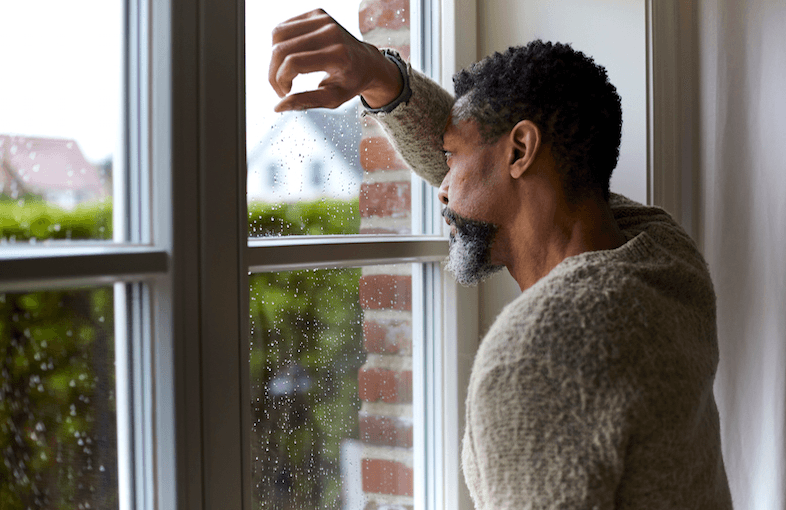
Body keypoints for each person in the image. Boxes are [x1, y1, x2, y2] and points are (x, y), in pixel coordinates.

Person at [271, 9, 733, 509]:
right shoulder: (664, 256)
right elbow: (506, 178)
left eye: (450, 160)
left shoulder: (536, 356)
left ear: (521, 151)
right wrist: (384, 78)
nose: (441, 190)